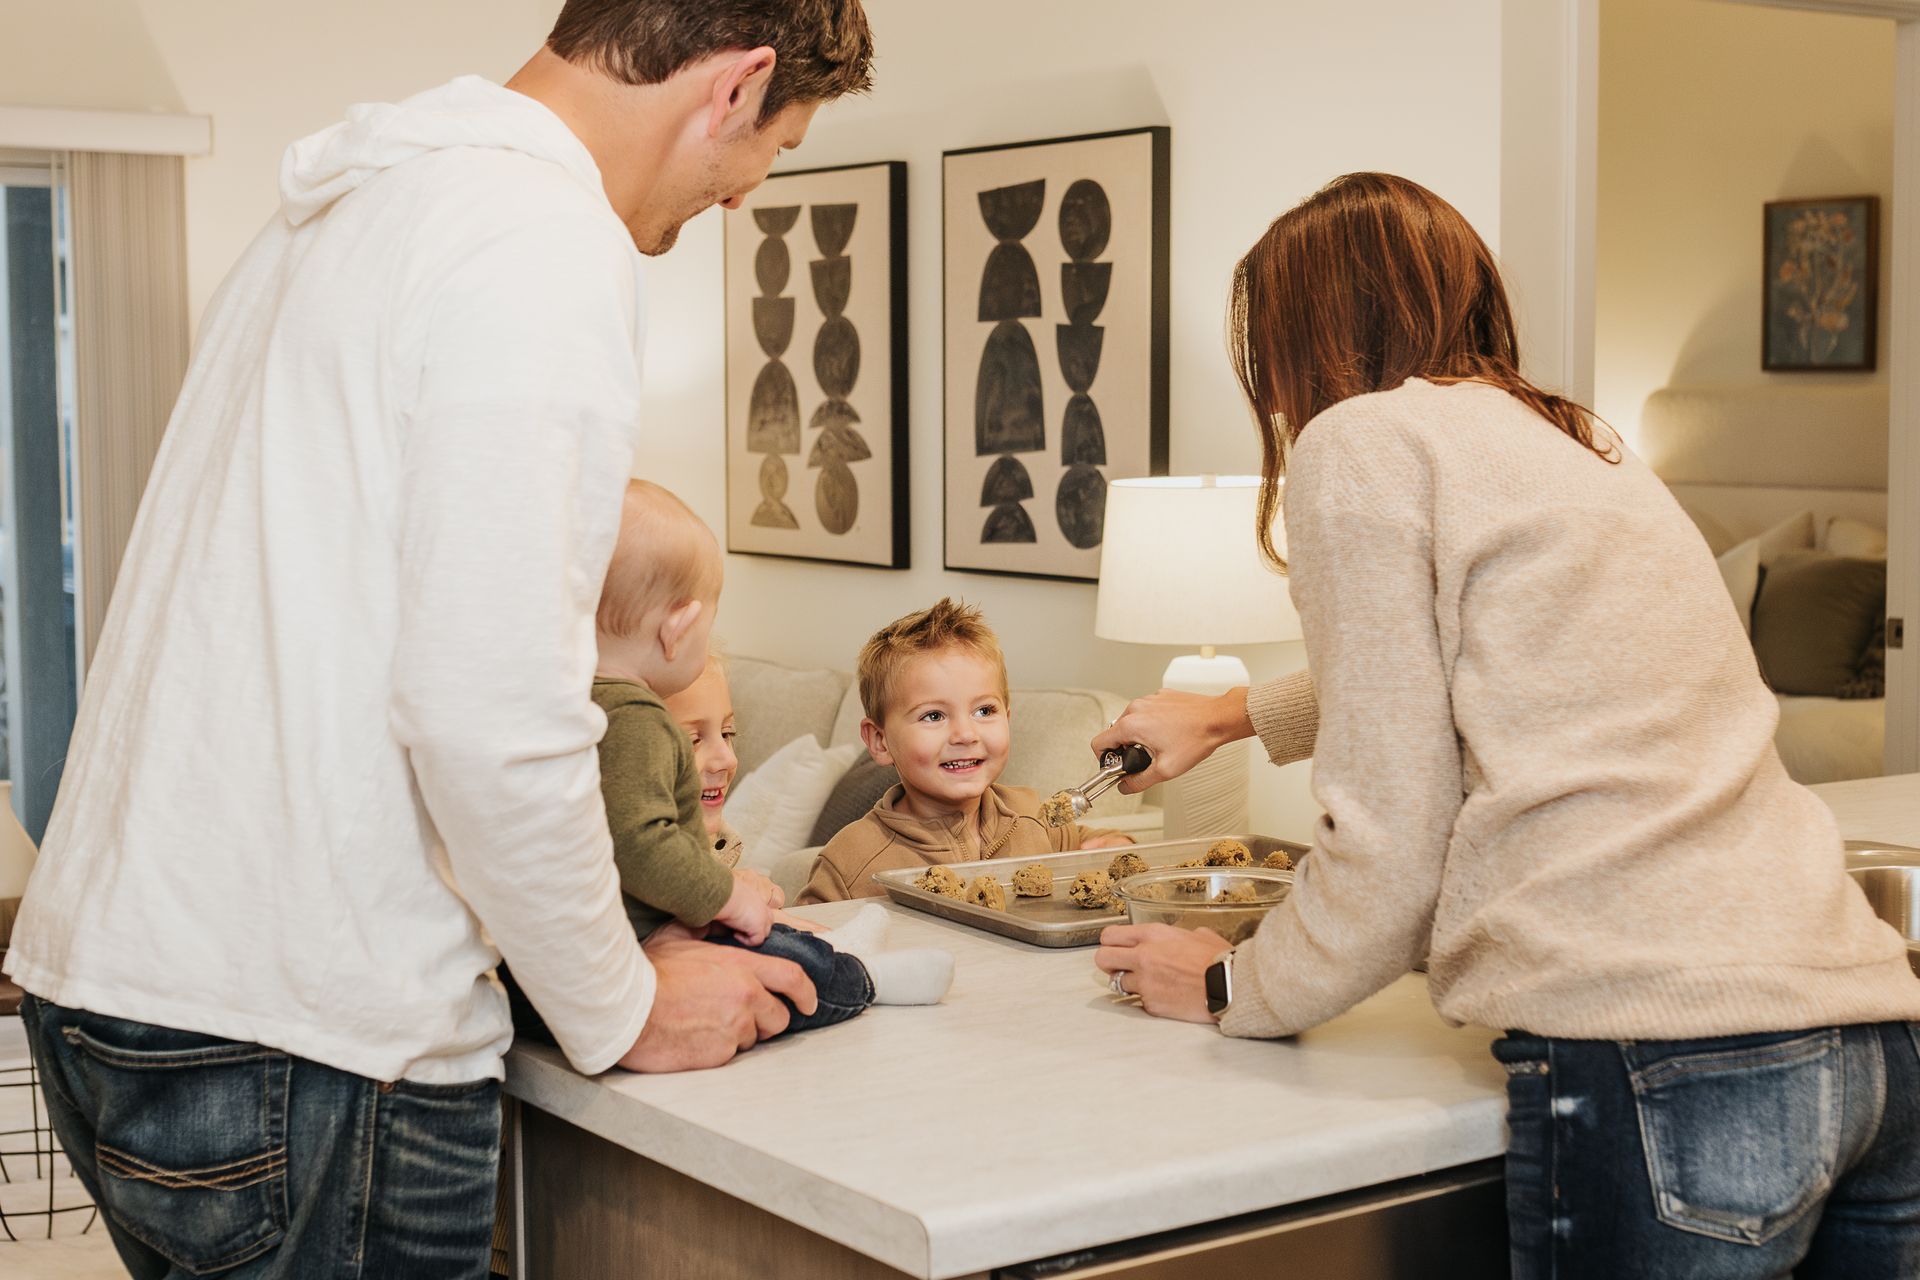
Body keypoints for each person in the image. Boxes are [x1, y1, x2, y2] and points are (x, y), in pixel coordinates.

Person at [4, 3, 873, 1276]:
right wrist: (620, 1003)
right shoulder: (541, 244)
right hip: (302, 1040)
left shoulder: (353, 205)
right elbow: (491, 706)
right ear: (738, 86)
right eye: (776, 151)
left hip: (122, 986)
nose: (742, 198)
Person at [1092, 172, 1920, 1280]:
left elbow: (1390, 847)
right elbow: (1502, 665)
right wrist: (1233, 713)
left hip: (1667, 1048)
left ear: (1297, 335)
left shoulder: (1362, 444)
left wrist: (1229, 982)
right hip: (1872, 1035)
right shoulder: (1577, 439)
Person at [502, 481, 952, 1042]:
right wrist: (725, 896)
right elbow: (642, 841)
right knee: (778, 960)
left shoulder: (558, 706)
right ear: (678, 626)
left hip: (556, 959)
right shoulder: (637, 715)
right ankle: (864, 977)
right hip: (638, 944)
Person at [800, 598, 1133, 904]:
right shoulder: (851, 860)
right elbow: (802, 947)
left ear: (1007, 717)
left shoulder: (1036, 817)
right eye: (933, 716)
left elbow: (1094, 843)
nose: (965, 734)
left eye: (984, 711)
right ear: (879, 740)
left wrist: (1117, 847)